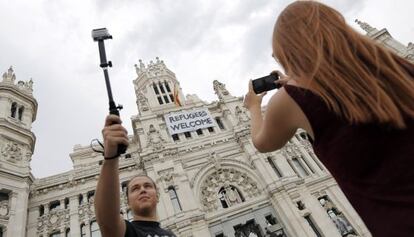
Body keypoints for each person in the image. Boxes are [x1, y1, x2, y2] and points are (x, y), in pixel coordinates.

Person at [244, 1, 414, 237]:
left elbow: (262, 143)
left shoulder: (291, 99)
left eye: (278, 55)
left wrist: (254, 107)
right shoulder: (395, 65)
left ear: (290, 50)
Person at [95, 115, 176, 237]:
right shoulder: (127, 232)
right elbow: (107, 220)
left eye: (148, 186)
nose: (142, 189)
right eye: (135, 188)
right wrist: (111, 156)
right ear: (127, 202)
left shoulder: (170, 234)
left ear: (158, 196)